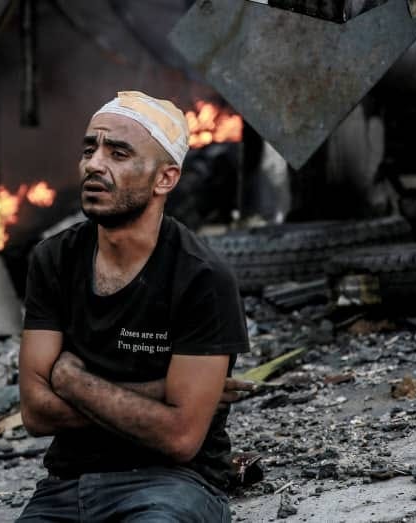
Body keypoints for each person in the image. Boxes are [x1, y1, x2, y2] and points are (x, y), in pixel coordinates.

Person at [17, 91, 253, 522]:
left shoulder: (201, 277)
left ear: (165, 178)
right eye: (90, 149)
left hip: (173, 484)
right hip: (65, 485)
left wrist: (69, 380)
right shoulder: (52, 259)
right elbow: (35, 412)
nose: (94, 164)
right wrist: (159, 393)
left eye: (118, 153)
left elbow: (180, 437)